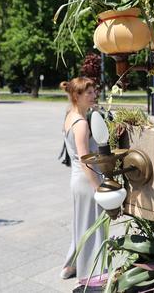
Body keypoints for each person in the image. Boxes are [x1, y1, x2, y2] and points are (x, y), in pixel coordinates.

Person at [59, 77, 104, 282]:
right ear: (76, 96)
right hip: (87, 180)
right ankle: (90, 273)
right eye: (89, 93)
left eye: (94, 91)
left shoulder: (70, 115)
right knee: (92, 228)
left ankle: (70, 266)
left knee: (82, 225)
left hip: (77, 179)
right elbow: (86, 159)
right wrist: (98, 187)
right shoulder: (81, 123)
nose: (94, 95)